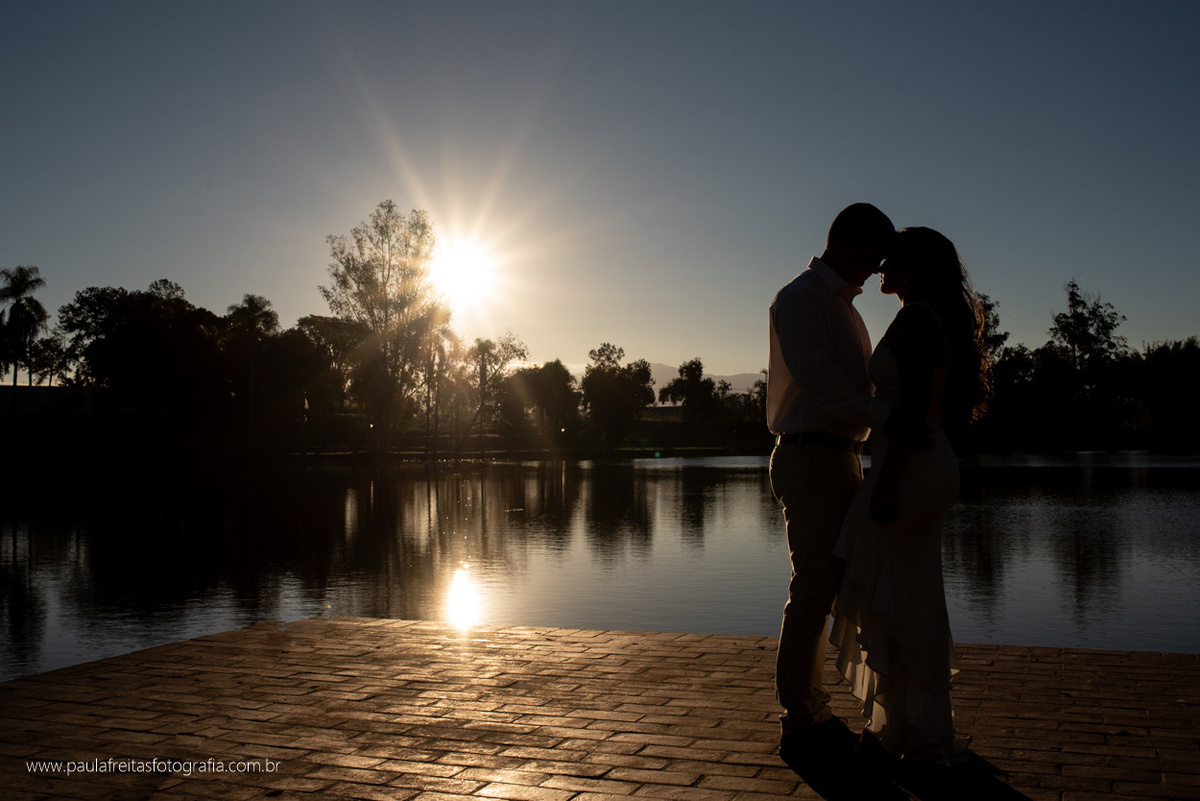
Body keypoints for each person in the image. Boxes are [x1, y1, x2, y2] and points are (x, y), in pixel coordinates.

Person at [828, 226, 990, 768]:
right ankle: (907, 730)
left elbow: (916, 412)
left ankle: (911, 733)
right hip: (917, 464)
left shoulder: (919, 318)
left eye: (889, 260)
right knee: (908, 592)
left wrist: (889, 483)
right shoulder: (922, 317)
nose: (879, 267)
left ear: (912, 268)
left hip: (911, 467)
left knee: (901, 593)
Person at [766, 202, 895, 764]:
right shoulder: (801, 299)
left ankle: (814, 703)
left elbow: (851, 385)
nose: (876, 268)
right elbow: (819, 379)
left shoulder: (843, 306)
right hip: (811, 455)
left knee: (833, 584)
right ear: (846, 243)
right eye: (874, 255)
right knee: (814, 586)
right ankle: (800, 715)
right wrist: (888, 418)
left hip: (841, 455)